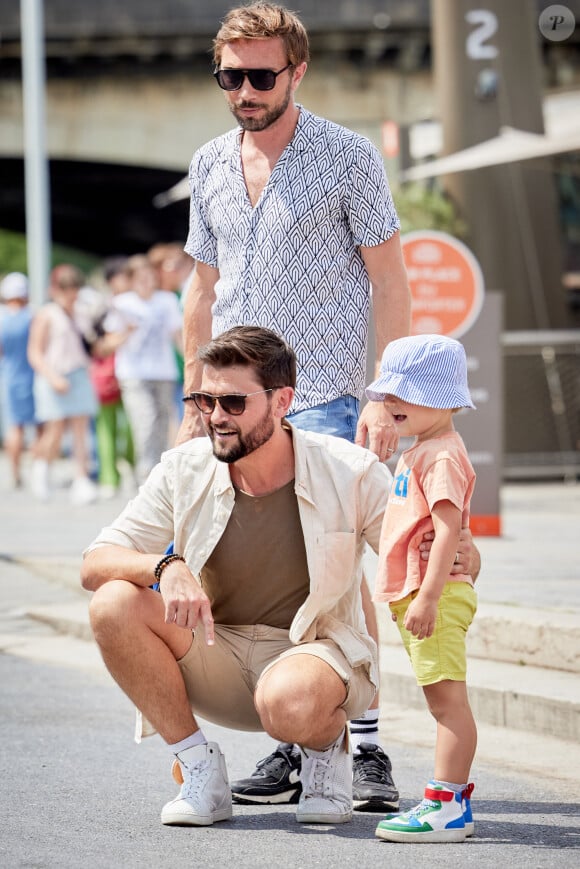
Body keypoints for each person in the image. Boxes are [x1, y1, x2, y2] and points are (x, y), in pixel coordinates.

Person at [177, 1, 412, 811]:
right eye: (230, 76)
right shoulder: (209, 161)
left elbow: (391, 281)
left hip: (326, 396)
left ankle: (369, 747)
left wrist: (386, 394)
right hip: (232, 404)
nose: (244, 89)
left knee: (335, 571)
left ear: (297, 70)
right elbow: (201, 290)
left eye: (260, 75)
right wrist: (193, 400)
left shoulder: (347, 157)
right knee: (278, 579)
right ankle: (301, 737)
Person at [365, 334, 478, 844]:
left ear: (443, 397)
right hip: (420, 591)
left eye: (404, 394)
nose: (391, 403)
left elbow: (449, 529)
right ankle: (445, 800)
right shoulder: (424, 450)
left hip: (434, 593)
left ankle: (447, 805)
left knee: (447, 704)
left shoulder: (440, 456)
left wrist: (429, 597)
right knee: (442, 701)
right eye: (388, 394)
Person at [104, 254, 183, 484]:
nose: (146, 282)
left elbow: (177, 335)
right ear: (132, 280)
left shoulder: (166, 300)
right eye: (141, 278)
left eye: (150, 277)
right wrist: (126, 332)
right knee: (145, 419)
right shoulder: (121, 304)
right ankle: (145, 471)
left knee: (162, 422)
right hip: (134, 373)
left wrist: (192, 361)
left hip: (163, 371)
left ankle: (157, 473)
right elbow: (108, 343)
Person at [27, 264, 98, 504]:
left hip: (78, 372)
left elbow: (91, 346)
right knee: (54, 430)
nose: (71, 294)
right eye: (66, 288)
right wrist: (52, 377)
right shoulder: (46, 314)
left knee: (81, 430)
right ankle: (41, 467)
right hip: (53, 374)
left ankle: (81, 478)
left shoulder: (81, 313)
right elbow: (35, 353)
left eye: (74, 288)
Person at [0, 272, 40, 488]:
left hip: (9, 378)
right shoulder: (33, 316)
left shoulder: (2, 318)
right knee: (40, 428)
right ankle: (37, 470)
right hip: (34, 376)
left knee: (14, 428)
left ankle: (15, 474)